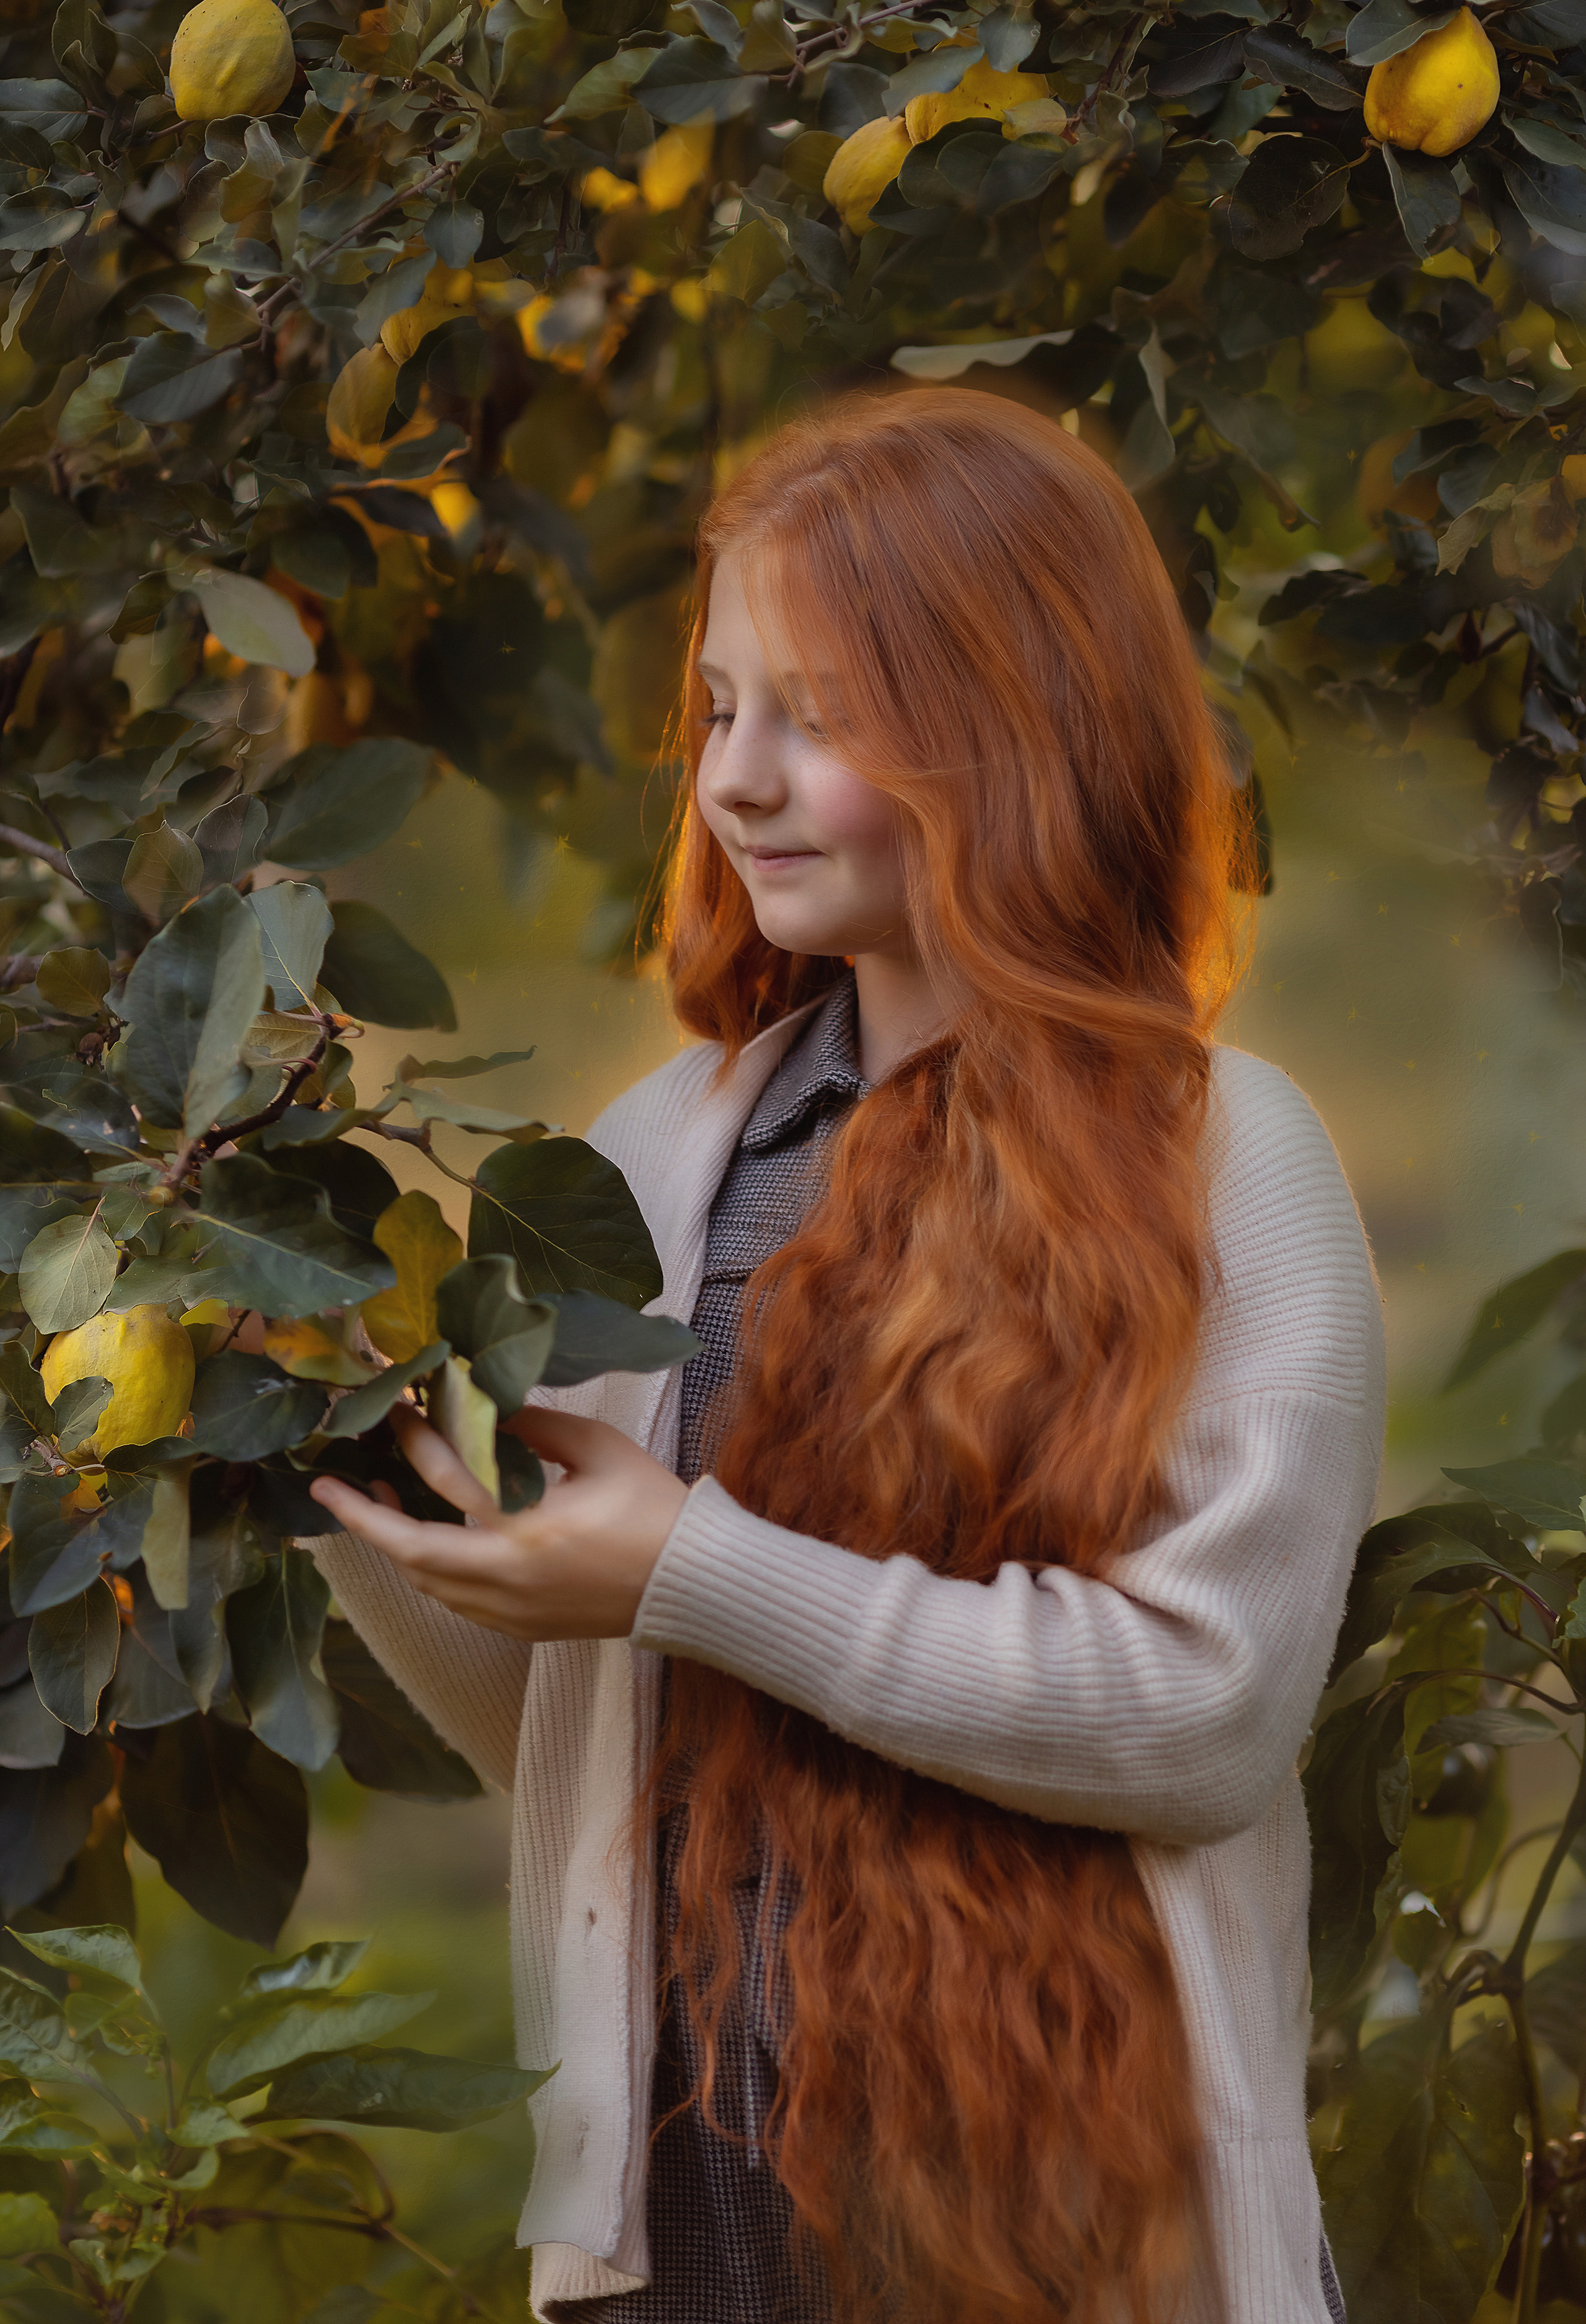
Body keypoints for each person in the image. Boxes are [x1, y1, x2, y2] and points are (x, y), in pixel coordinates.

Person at [306, 387, 1385, 2324]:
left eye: (820, 713)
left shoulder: (1230, 1159)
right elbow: (576, 1737)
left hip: (1066, 2227)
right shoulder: (658, 1155)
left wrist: (691, 1570)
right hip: (690, 2227)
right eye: (720, 707)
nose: (734, 778)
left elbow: (1208, 1713)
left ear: (1016, 721)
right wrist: (312, 1442)